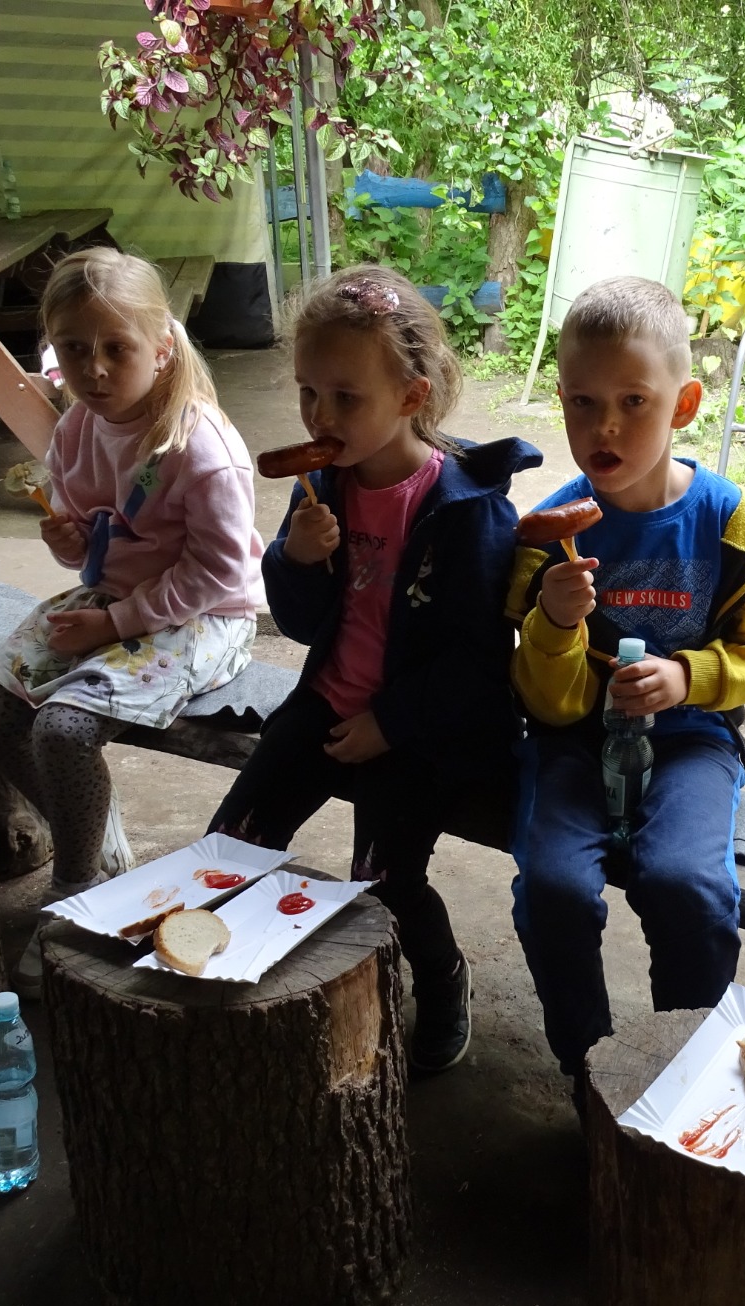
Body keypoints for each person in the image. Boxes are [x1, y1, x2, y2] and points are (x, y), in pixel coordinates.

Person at [208, 264, 537, 1074]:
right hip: (327, 700)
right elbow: (303, 623)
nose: (320, 416)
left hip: (418, 726)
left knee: (382, 877)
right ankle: (237, 980)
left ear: (411, 397)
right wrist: (295, 560)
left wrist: (389, 724)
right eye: (307, 393)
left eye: (345, 398)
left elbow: (478, 663)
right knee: (231, 845)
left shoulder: (466, 510)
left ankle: (442, 975)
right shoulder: (320, 487)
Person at [507, 275, 745, 1111]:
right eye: (584, 402)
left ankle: (689, 1060)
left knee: (687, 886)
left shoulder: (733, 525)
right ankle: (589, 1069)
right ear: (562, 400)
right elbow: (549, 705)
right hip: (571, 745)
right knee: (554, 889)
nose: (605, 426)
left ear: (685, 404)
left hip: (692, 741)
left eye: (634, 401)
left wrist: (689, 677)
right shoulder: (548, 537)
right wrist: (555, 625)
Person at [0, 248, 264, 997]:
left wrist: (116, 621)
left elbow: (219, 573)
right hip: (114, 601)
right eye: (73, 349)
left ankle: (74, 887)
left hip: (202, 616)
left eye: (116, 349)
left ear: (161, 347)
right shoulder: (76, 428)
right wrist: (69, 542)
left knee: (64, 729)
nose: (93, 370)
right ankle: (91, 833)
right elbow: (91, 539)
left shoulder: (200, 447)